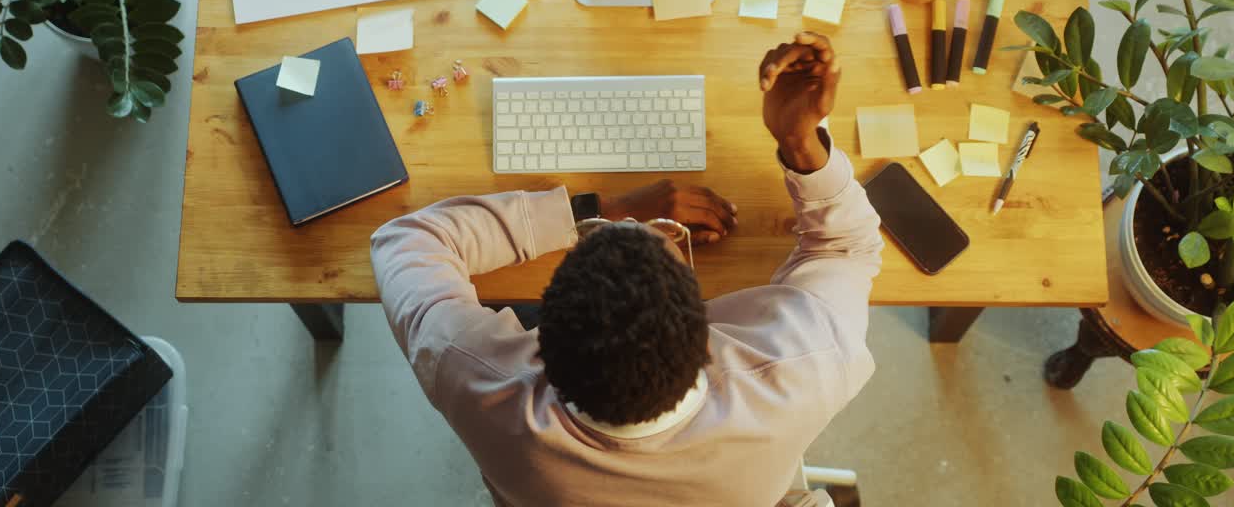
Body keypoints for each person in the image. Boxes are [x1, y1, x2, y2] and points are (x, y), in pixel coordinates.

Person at [371, 32, 882, 506]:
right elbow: (847, 249)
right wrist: (799, 140)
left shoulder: (476, 382)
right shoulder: (807, 365)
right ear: (705, 333)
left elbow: (406, 241)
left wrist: (600, 211)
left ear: (540, 340)